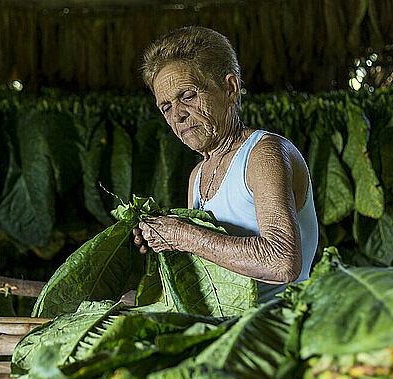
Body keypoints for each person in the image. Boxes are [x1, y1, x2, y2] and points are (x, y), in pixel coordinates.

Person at [132, 26, 318, 303]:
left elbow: (282, 262)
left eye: (188, 96)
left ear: (230, 89)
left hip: (281, 321)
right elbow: (215, 265)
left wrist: (182, 235)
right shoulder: (197, 176)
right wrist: (162, 240)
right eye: (166, 107)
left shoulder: (264, 154)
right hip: (228, 322)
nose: (178, 116)